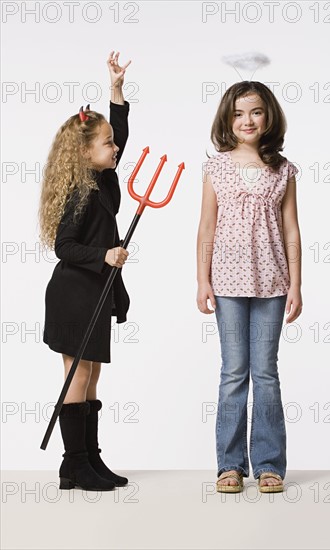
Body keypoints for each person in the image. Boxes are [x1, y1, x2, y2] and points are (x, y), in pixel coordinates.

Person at [196, 81, 303, 494]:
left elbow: (291, 229)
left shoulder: (283, 169)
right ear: (227, 118)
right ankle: (230, 464)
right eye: (239, 113)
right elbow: (206, 226)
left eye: (255, 112)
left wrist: (296, 284)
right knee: (233, 372)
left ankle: (270, 464)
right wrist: (202, 279)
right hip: (226, 283)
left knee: (266, 373)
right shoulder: (216, 167)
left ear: (268, 116)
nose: (247, 120)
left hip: (274, 284)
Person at [38, 51, 132, 491]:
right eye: (107, 144)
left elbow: (121, 140)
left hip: (95, 291)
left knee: (91, 374)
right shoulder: (79, 191)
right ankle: (73, 463)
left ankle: (89, 459)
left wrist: (115, 93)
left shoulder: (103, 180)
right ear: (84, 152)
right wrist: (104, 256)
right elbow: (64, 246)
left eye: (113, 142)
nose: (115, 148)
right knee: (77, 374)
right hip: (74, 291)